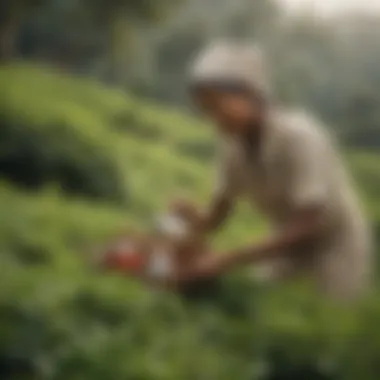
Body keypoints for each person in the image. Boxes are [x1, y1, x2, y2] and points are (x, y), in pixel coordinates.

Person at [167, 41, 373, 301]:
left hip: (332, 245)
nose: (214, 117)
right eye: (206, 109)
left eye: (218, 105)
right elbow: (219, 212)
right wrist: (193, 218)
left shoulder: (300, 137)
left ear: (251, 94)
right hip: (285, 246)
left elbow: (307, 224)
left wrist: (229, 258)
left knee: (326, 324)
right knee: (264, 305)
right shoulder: (233, 147)